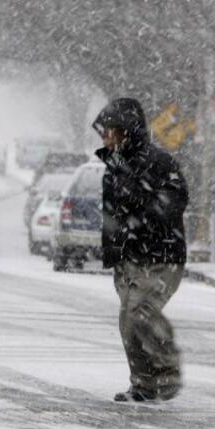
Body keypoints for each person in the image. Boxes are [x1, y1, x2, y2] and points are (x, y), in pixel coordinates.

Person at [93, 98, 188, 402]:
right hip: (129, 259)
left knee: (141, 313)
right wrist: (113, 252)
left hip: (161, 255)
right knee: (129, 322)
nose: (105, 138)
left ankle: (167, 373)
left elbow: (174, 201)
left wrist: (142, 217)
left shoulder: (160, 163)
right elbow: (111, 214)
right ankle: (145, 384)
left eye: (109, 131)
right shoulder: (114, 167)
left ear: (125, 131)